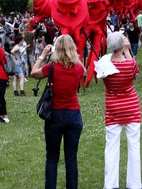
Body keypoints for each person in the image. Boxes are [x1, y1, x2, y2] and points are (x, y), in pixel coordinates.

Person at [31, 34, 85, 189]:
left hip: (55, 114)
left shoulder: (52, 67)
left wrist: (42, 56)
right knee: (71, 158)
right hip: (73, 114)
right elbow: (84, 71)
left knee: (52, 157)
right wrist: (75, 56)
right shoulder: (78, 68)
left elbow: (34, 73)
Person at [100, 31, 141, 189]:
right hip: (131, 106)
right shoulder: (130, 64)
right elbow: (135, 73)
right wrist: (127, 50)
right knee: (134, 145)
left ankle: (110, 184)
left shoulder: (104, 64)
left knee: (111, 146)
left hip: (113, 107)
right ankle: (134, 184)